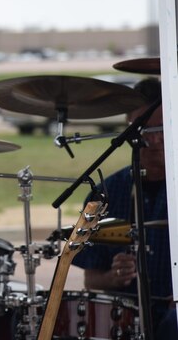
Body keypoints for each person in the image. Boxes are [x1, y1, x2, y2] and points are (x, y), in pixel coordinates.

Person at [72, 77, 175, 339]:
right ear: (130, 133)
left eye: (163, 128)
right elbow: (91, 281)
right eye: (145, 131)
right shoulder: (105, 194)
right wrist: (112, 278)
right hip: (125, 319)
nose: (155, 140)